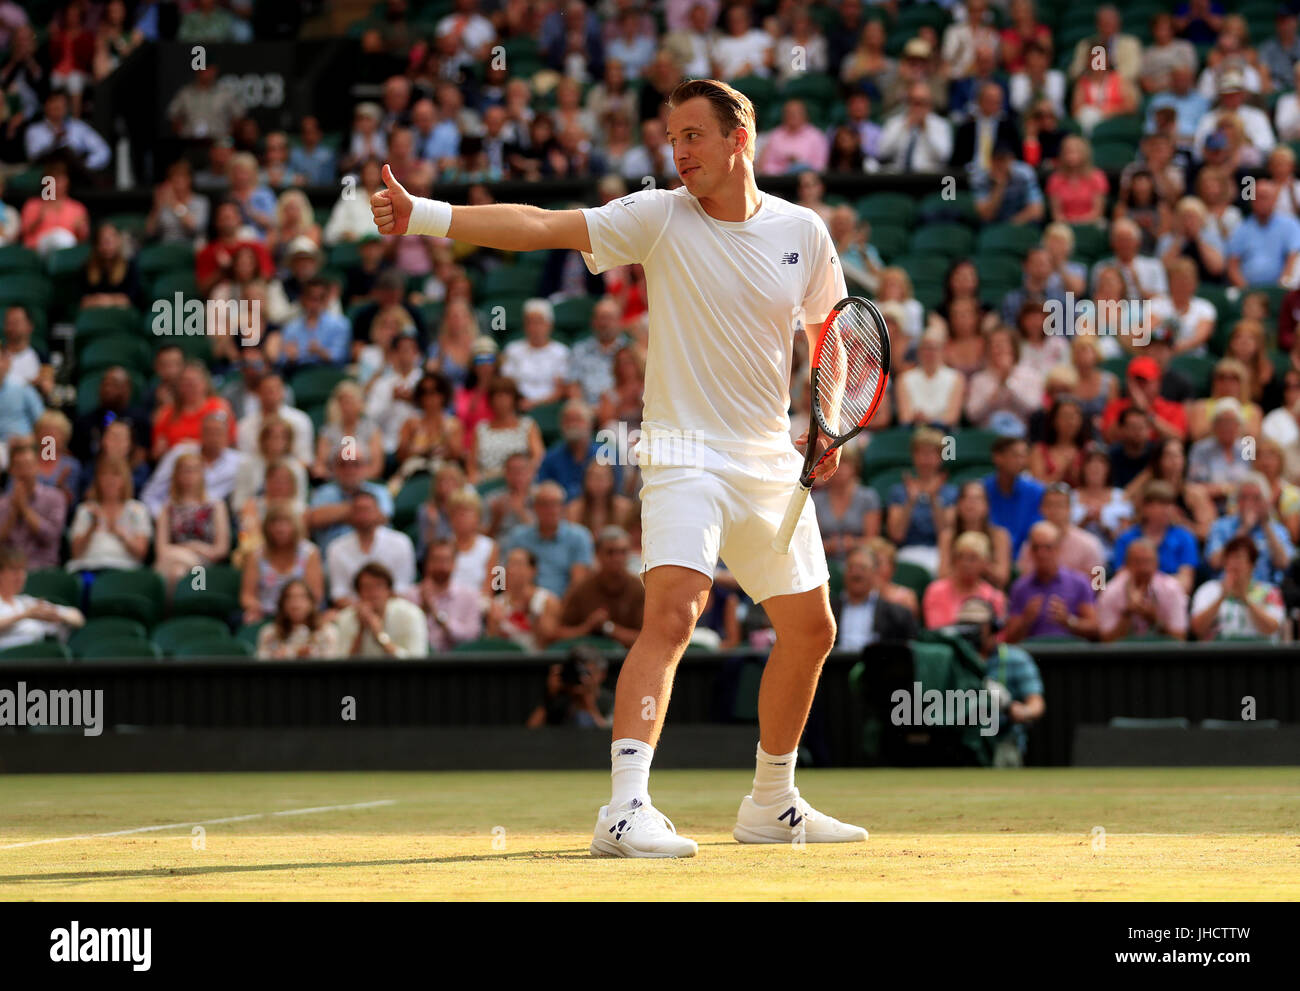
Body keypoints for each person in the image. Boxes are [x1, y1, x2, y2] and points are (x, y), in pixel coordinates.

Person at [374, 76, 870, 855]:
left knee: (811, 629)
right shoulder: (657, 215)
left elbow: (832, 332)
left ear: (740, 139)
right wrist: (427, 216)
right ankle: (625, 808)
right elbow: (540, 224)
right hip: (681, 454)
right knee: (674, 613)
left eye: (693, 135)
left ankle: (772, 802)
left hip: (770, 458)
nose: (678, 151)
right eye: (670, 137)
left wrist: (830, 422)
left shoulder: (803, 231)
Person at [954, 597, 1044, 767]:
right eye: (965, 626)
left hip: (1001, 738)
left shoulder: (1016, 659)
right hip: (962, 738)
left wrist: (1019, 710)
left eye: (977, 626)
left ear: (993, 627)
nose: (971, 632)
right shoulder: (952, 659)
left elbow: (1036, 704)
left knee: (1005, 755)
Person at [153, 450, 231, 597]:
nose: (190, 476)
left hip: (205, 562)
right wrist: (188, 549)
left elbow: (221, 549)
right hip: (173, 558)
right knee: (175, 571)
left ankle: (181, 609)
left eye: (194, 470)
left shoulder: (215, 506)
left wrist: (195, 548)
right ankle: (183, 609)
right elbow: (161, 549)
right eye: (185, 471)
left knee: (179, 572)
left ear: (202, 474)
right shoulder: (168, 508)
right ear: (177, 475)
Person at [1004, 521, 1099, 642]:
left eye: (1048, 547)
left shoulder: (1080, 582)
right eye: (1036, 548)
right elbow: (1010, 638)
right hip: (1033, 656)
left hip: (1072, 655)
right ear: (1030, 552)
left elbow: (1095, 628)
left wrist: (1069, 621)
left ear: (1058, 549)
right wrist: (1026, 620)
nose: (1042, 554)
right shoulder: (1020, 588)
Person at [555, 526, 644, 648]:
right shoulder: (582, 589)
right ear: (597, 554)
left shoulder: (639, 589)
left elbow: (647, 638)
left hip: (628, 659)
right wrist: (587, 627)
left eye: (622, 552)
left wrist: (609, 628)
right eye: (610, 552)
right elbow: (558, 633)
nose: (617, 558)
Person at [325, 490, 418, 607]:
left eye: (368, 509)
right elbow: (339, 594)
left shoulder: (401, 542)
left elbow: (403, 588)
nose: (364, 515)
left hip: (394, 608)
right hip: (354, 612)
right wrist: (362, 610)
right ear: (350, 514)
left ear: (379, 512)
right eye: (359, 510)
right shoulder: (336, 548)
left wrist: (380, 608)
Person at [66, 455, 152, 574]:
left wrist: (122, 535)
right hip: (88, 569)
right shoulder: (86, 509)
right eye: (104, 475)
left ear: (124, 480)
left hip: (125, 571)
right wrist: (91, 528)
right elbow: (75, 553)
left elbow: (141, 553)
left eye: (115, 475)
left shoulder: (137, 510)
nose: (109, 480)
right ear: (98, 480)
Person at [1205, 474, 1296, 586]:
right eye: (1244, 498)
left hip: (1265, 591)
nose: (1249, 503)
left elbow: (1283, 563)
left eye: (1256, 498)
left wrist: (1266, 525)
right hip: (1227, 588)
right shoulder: (1221, 526)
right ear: (1237, 501)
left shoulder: (1278, 530)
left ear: (1266, 502)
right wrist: (1244, 528)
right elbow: (1215, 562)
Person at [1111, 481, 1200, 595]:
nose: (1168, 509)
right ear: (1145, 508)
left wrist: (1152, 587)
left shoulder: (1185, 538)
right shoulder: (1126, 539)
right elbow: (1121, 578)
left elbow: (1185, 583)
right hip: (1134, 598)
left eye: (1170, 504)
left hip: (1171, 600)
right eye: (1162, 504)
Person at [1190, 536, 1285, 642]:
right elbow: (1197, 629)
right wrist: (1221, 597)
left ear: (1252, 564)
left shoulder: (1269, 591)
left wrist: (1245, 599)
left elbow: (1272, 628)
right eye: (1229, 558)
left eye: (1239, 558)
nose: (1233, 564)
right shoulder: (1208, 589)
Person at [1095, 538, 1188, 641]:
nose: (1144, 568)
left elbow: (1180, 639)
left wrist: (1154, 620)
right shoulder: (1111, 591)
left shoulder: (1172, 589)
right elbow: (1105, 641)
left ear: (1157, 563)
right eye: (1138, 561)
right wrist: (1128, 613)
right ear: (1127, 564)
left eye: (1148, 561)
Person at [333, 562, 429, 658]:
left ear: (389, 591)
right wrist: (361, 631)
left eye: (379, 586)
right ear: (359, 593)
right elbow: (342, 666)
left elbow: (416, 663)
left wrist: (380, 637)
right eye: (367, 587)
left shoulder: (411, 615)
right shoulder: (345, 617)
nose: (373, 593)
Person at [833, 545, 917, 651]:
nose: (856, 573)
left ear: (874, 573)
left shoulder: (896, 615)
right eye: (851, 567)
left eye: (862, 568)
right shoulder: (828, 611)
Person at [0, 439, 67, 571]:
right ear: (11, 470)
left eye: (28, 465)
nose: (24, 472)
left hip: (43, 570)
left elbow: (51, 537)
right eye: (19, 466)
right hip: (7, 573)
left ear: (37, 467)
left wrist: (25, 509)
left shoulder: (55, 497)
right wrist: (14, 512)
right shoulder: (2, 503)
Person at [0, 546, 84, 651]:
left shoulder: (26, 602)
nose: (20, 576)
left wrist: (57, 615)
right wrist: (24, 615)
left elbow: (77, 616)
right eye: (14, 570)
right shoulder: (27, 610)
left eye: (23, 570)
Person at [1015, 483, 1105, 580]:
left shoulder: (1091, 544)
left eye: (1060, 505)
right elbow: (1024, 580)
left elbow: (1100, 585)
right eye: (1049, 505)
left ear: (1070, 509)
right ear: (1041, 509)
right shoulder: (1032, 545)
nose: (1054, 510)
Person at [923, 531, 1006, 630]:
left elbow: (997, 636)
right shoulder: (936, 591)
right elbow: (935, 629)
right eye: (960, 557)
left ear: (985, 562)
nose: (965, 563)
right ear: (954, 560)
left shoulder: (995, 597)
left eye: (973, 558)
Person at [983, 435, 1044, 557]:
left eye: (1023, 456)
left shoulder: (1037, 492)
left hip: (1029, 558)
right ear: (998, 457)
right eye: (1015, 456)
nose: (1021, 461)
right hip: (989, 558)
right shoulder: (981, 490)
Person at [418, 539, 483, 651]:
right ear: (427, 563)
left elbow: (471, 639)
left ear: (454, 564)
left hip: (457, 663)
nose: (441, 566)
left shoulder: (469, 597)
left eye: (445, 560)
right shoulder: (411, 596)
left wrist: (438, 616)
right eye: (436, 559)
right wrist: (421, 611)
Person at [255, 579, 339, 660]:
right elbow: (261, 665)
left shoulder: (327, 631)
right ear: (282, 604)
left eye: (301, 597)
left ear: (311, 602)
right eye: (289, 598)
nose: (296, 604)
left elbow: (331, 663)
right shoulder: (269, 633)